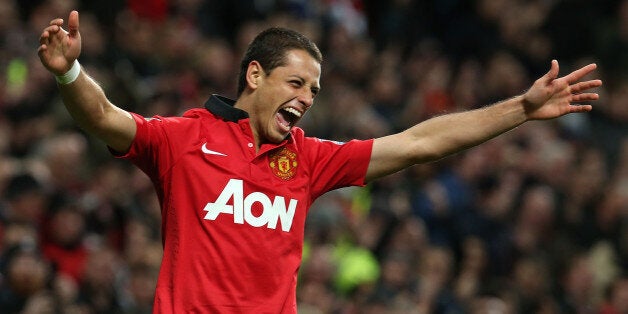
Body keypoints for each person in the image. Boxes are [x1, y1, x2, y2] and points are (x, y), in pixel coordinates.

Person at [37, 10, 602, 313]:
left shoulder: (309, 160)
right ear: (255, 74)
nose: (307, 98)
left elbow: (418, 143)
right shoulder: (184, 139)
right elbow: (105, 118)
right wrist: (68, 72)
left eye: (315, 89)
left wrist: (520, 109)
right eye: (296, 82)